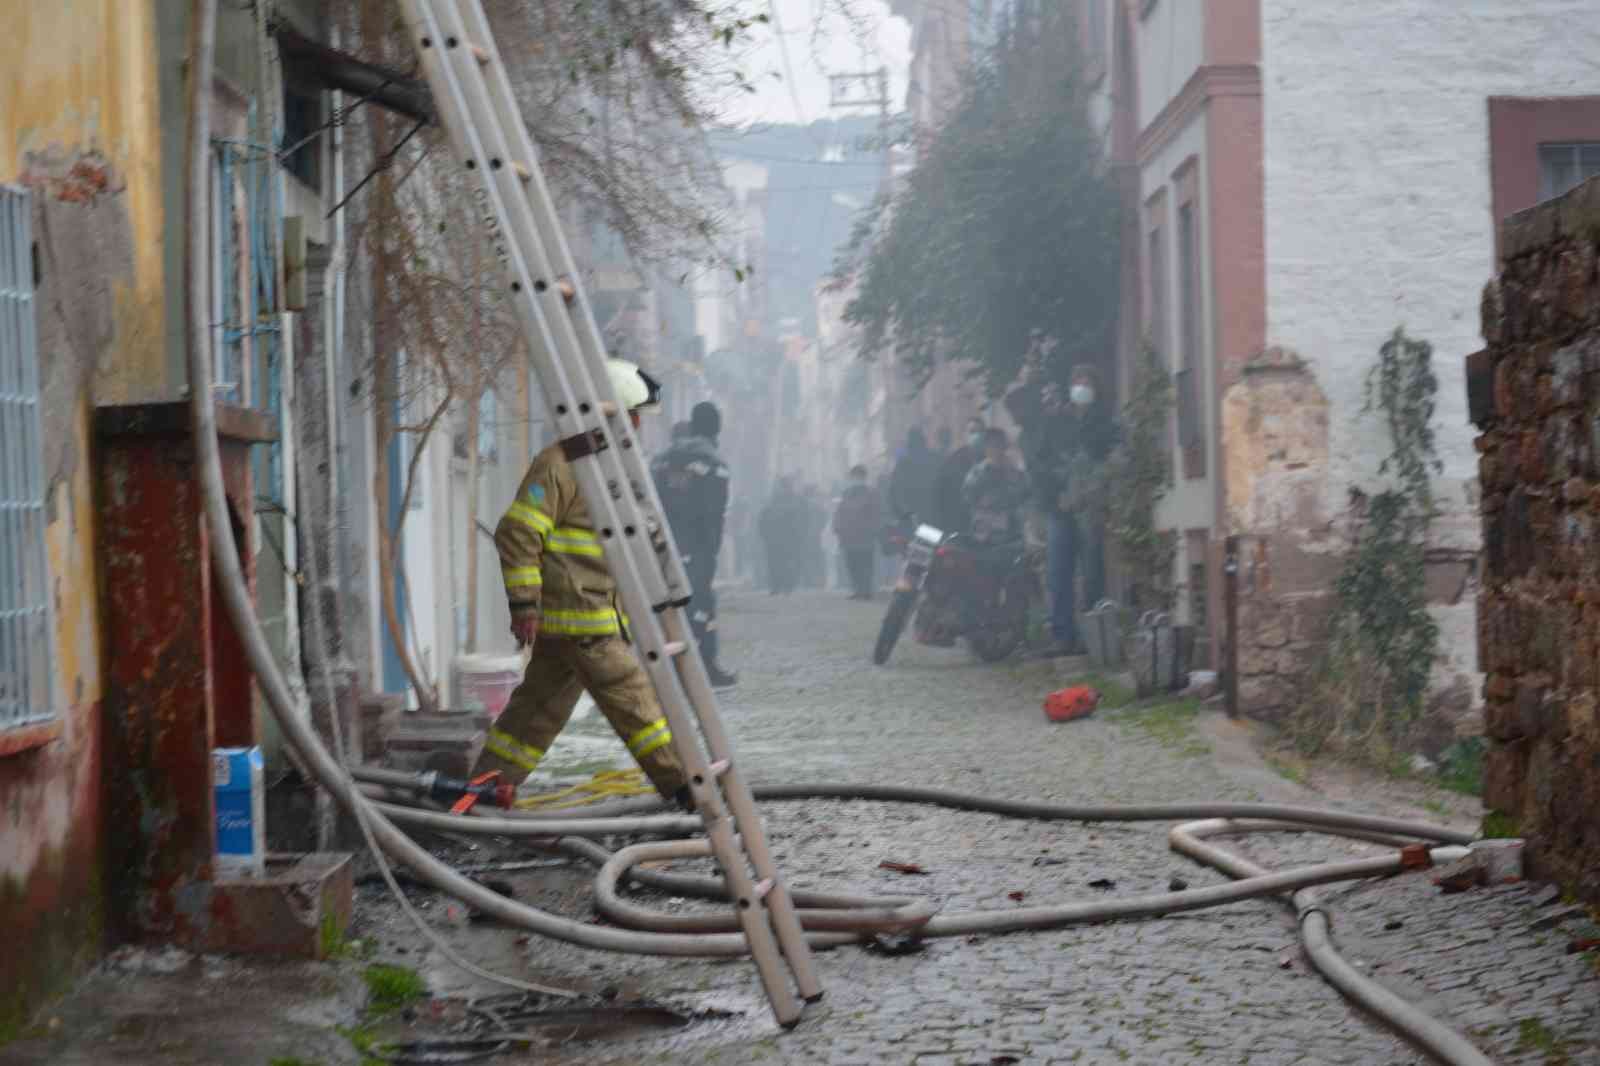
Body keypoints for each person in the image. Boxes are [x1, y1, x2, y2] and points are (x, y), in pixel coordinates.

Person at [473, 358, 690, 808]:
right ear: (607, 414)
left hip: (585, 617)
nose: (637, 427)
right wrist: (523, 605)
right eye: (632, 417)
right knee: (637, 705)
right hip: (583, 621)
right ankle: (687, 788)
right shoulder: (559, 466)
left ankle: (484, 790)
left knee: (534, 713)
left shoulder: (608, 469)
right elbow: (518, 533)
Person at [1006, 361, 1119, 656]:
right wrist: (1054, 492)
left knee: (1093, 572)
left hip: (1090, 508)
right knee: (1058, 574)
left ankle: (1095, 637)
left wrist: (1097, 486)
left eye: (1088, 382)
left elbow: (1116, 458)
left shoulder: (1105, 422)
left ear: (1096, 388)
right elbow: (1038, 461)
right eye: (1078, 381)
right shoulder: (1056, 421)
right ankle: (1062, 636)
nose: (1082, 387)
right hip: (1060, 508)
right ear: (1070, 387)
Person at [652, 400, 738, 688]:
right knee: (701, 605)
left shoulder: (661, 460)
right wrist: (710, 552)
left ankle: (665, 666)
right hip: (697, 547)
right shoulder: (714, 464)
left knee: (664, 606)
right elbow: (714, 514)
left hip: (661, 545)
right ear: (717, 428)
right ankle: (704, 665)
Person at [961, 428, 1029, 548]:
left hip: (1010, 534)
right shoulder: (976, 473)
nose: (996, 449)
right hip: (983, 532)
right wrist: (982, 501)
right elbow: (967, 497)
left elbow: (1024, 496)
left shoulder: (1015, 472)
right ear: (985, 448)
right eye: (992, 445)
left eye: (999, 445)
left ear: (1005, 447)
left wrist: (1011, 477)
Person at [832, 465, 881, 600]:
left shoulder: (871, 493)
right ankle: (857, 589)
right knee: (852, 563)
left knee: (865, 563)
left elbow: (876, 514)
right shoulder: (847, 493)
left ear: (863, 478)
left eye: (857, 477)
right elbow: (840, 512)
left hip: (865, 535)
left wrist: (874, 530)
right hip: (849, 535)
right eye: (854, 477)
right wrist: (837, 527)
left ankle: (865, 590)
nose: (855, 480)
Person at [935, 416, 987, 536]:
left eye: (980, 432)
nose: (976, 436)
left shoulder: (994, 458)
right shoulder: (954, 460)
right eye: (972, 432)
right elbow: (942, 494)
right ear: (965, 434)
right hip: (961, 526)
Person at [759, 478, 804, 595]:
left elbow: (800, 521)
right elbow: (763, 519)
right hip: (776, 539)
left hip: (785, 539)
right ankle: (778, 586)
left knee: (783, 563)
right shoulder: (774, 500)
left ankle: (783, 586)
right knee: (777, 564)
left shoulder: (795, 501)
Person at [889, 427, 940, 522]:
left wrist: (904, 514)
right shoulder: (935, 459)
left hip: (911, 519)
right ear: (924, 441)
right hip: (934, 515)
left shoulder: (902, 464)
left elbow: (895, 493)